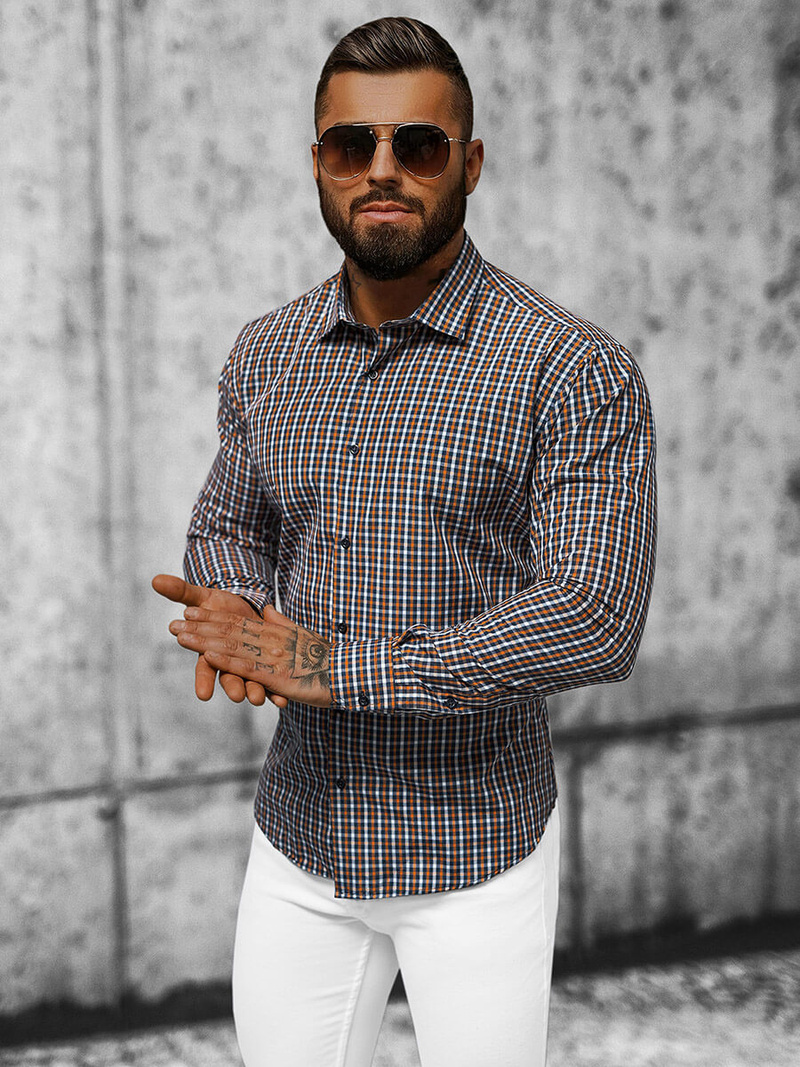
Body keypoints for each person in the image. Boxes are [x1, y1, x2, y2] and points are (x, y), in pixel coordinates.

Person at [153, 16, 656, 1067]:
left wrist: (335, 669)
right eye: (353, 145)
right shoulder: (268, 351)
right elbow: (230, 520)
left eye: (417, 145)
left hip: (474, 853)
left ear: (469, 163)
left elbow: (594, 615)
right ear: (319, 164)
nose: (381, 170)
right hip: (301, 836)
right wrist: (233, 596)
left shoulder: (571, 368)